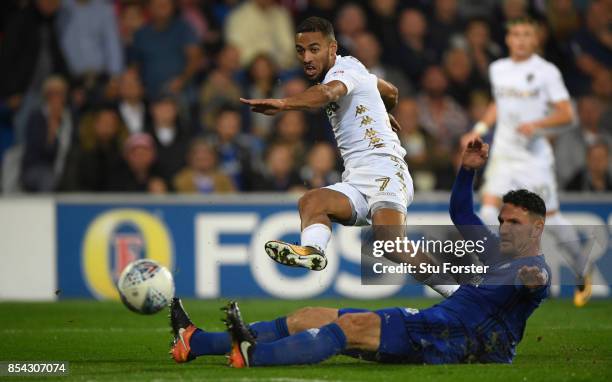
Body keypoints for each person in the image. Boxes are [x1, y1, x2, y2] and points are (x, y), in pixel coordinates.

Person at [168, 138, 551, 367]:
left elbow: (536, 282)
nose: (503, 227)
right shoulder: (495, 248)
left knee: (349, 328)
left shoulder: (532, 267)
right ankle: (195, 341)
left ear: (537, 227)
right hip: (442, 324)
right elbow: (462, 212)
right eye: (502, 220)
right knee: (308, 316)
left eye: (514, 223)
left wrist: (532, 280)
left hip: (461, 338)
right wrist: (466, 171)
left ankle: (254, 355)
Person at [240, 17, 455, 298]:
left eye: (314, 49)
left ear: (332, 48)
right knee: (312, 201)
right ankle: (312, 251)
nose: (306, 57)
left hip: (386, 170)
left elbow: (328, 93)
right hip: (357, 179)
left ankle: (462, 294)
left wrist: (283, 104)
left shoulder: (343, 70)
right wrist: (380, 110)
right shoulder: (358, 71)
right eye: (300, 50)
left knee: (391, 244)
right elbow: (391, 91)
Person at [461, 17, 591, 307]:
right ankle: (486, 278)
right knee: (487, 211)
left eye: (526, 35)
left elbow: (566, 114)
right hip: (504, 155)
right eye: (515, 34)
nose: (520, 40)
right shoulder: (498, 69)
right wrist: (479, 130)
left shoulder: (546, 72)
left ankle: (582, 268)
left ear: (536, 40)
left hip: (534, 158)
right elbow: (499, 104)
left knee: (552, 220)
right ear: (508, 39)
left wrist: (537, 124)